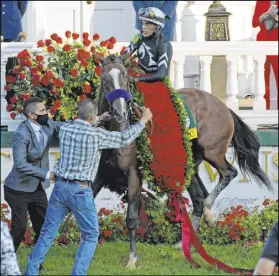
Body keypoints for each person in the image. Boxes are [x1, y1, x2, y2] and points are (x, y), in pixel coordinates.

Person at [24, 99, 153, 276]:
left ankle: (30, 272)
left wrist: (97, 119)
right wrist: (143, 120)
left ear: (78, 113)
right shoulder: (97, 135)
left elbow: (76, 125)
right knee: (91, 235)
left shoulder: (65, 128)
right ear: (93, 117)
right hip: (80, 191)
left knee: (47, 233)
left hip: (60, 187)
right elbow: (124, 138)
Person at [4, 97, 62, 252]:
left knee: (44, 227)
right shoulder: (21, 134)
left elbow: (63, 127)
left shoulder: (47, 125)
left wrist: (89, 122)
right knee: (19, 229)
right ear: (31, 115)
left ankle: (36, 262)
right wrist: (46, 174)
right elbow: (20, 164)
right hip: (17, 189)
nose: (46, 113)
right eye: (42, 111)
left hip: (37, 188)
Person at [124, 6, 173, 82]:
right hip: (140, 77)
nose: (143, 27)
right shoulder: (138, 38)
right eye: (143, 23)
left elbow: (160, 75)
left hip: (158, 83)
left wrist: (137, 79)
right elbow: (123, 56)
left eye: (148, 24)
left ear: (158, 27)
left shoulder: (164, 44)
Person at [252, 0, 278, 109]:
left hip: (276, 45)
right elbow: (253, 23)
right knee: (263, 82)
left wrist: (276, 17)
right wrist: (261, 18)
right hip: (262, 44)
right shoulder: (260, 2)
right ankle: (264, 111)